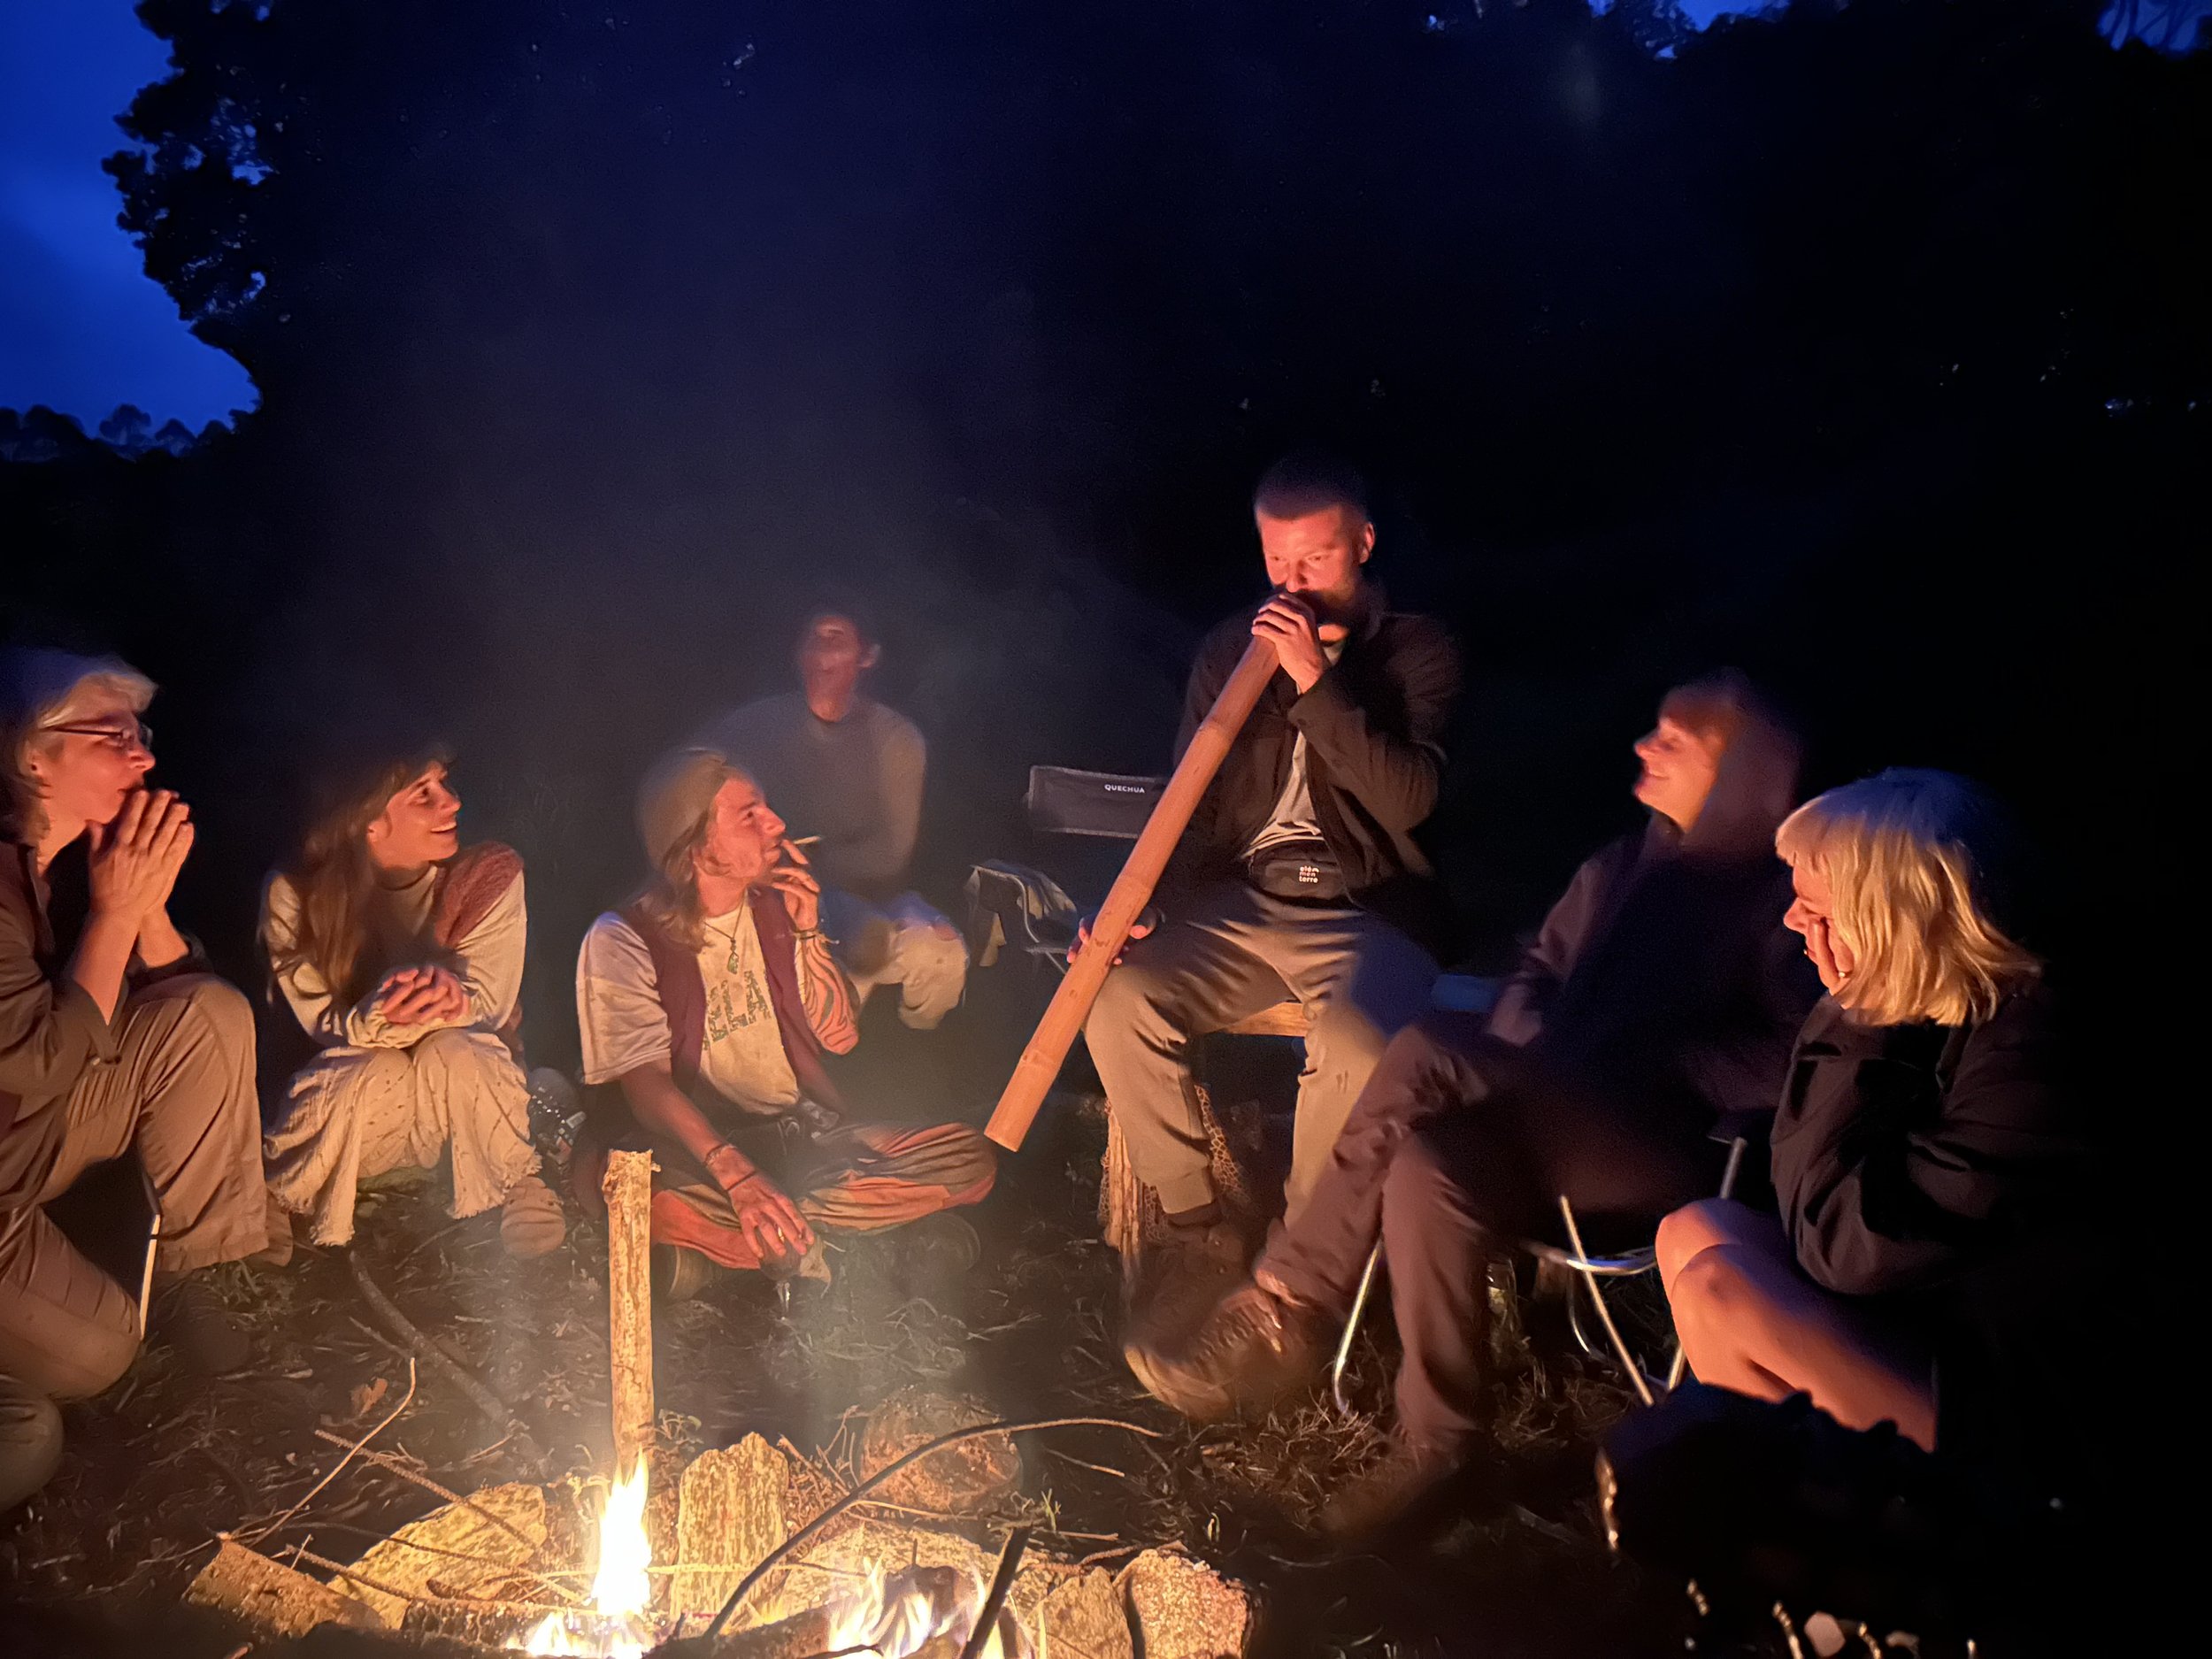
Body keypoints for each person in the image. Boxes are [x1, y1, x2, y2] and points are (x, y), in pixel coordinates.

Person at [1128, 672, 1820, 1537]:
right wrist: (1537, 1034)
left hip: (1645, 1145)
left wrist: (1665, 1060)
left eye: (1673, 741)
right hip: (1546, 1105)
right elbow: (1535, 968)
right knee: (1428, 1165)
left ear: (1736, 769)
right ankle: (1441, 1444)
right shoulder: (1622, 865)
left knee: (1426, 1052)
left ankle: (1288, 1303)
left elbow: (1796, 1055)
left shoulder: (1776, 898)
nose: (1645, 747)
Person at [1083, 451, 1460, 1325]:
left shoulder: (1417, 650)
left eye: (1315, 559)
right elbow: (1193, 805)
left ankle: (1297, 1265)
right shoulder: (1229, 648)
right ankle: (1198, 1226)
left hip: (1368, 910)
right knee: (1117, 998)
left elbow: (1408, 801)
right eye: (1277, 560)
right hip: (1243, 902)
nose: (1292, 583)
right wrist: (1145, 905)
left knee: (1357, 1040)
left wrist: (1316, 683)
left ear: (1362, 544)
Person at [1655, 770, 2077, 1460]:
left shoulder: (2032, 1062)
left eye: (1816, 909)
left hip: (2035, 1419)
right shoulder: (1954, 1003)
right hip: (1945, 1325)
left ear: (1891, 921)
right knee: (1693, 1232)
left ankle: (1825, 1507)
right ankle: (1791, 1487)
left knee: (1720, 1292)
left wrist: (1852, 1011)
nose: (1792, 922)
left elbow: (1841, 1245)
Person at [1, 649, 271, 1508]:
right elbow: (39, 1058)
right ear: (32, 756)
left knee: (207, 1017)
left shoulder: (60, 864)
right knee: (100, 1353)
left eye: (141, 733)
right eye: (111, 736)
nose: (143, 755)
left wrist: (141, 902)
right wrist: (114, 912)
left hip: (25, 1136)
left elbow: (185, 996)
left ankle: (200, 1275)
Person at [575, 746, 995, 1289]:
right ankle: (834, 1230)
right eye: (750, 815)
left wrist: (808, 932)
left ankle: (764, 1241)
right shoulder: (623, 938)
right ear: (696, 845)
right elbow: (648, 1086)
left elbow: (839, 1038)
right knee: (648, 1194)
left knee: (970, 1158)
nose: (776, 824)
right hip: (700, 1154)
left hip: (802, 1136)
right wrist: (737, 1175)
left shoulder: (777, 905)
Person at [259, 749, 564, 1256]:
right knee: (367, 1066)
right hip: (357, 1124)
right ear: (366, 819)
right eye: (424, 794)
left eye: (444, 783)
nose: (452, 802)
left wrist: (453, 1002)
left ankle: (515, 1178)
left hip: (450, 1120)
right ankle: (284, 1191)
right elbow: (321, 1023)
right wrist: (381, 1014)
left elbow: (490, 1005)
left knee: (458, 1049)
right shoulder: (297, 893)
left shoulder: (485, 876)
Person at [702, 603, 967, 1032]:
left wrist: (806, 865)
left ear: (867, 656)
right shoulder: (753, 728)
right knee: (837, 964)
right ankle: (822, 1037)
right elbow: (693, 777)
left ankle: (922, 1036)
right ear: (798, 655)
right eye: (813, 638)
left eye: (836, 638)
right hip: (773, 895)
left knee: (941, 951)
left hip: (869, 894)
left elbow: (891, 854)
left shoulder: (896, 740)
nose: (822, 650)